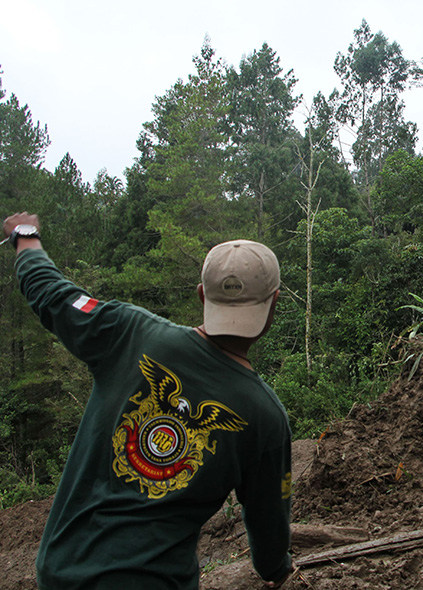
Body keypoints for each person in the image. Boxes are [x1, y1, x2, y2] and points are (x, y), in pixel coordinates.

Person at [4, 212, 294, 589]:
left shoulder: (128, 332)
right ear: (274, 302)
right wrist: (278, 568)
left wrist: (27, 240)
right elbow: (270, 531)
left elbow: (54, 297)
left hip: (63, 573)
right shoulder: (265, 416)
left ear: (202, 295)